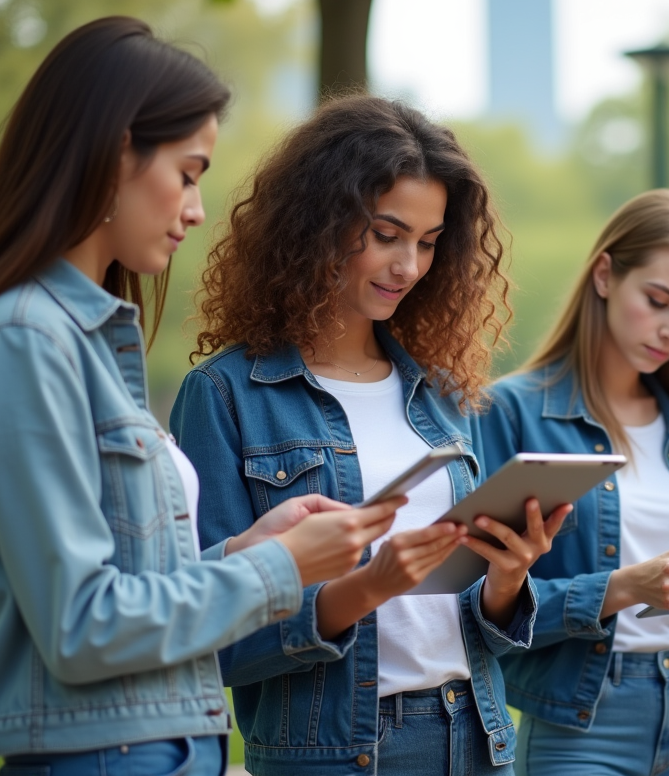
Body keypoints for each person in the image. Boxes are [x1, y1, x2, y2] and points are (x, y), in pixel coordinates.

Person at [0, 17, 401, 776]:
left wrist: (251, 547)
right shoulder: (27, 340)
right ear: (112, 155)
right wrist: (281, 571)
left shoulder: (87, 341)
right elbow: (80, 625)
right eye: (189, 171)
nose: (197, 209)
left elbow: (130, 584)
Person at [169, 94, 567, 776]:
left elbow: (477, 622)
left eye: (428, 242)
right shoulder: (225, 394)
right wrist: (365, 587)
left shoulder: (444, 394)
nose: (409, 267)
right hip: (333, 752)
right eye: (387, 234)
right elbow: (210, 635)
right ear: (317, 225)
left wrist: (507, 577)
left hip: (476, 735)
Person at [479, 189, 669, 775]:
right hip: (583, 723)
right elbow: (486, 614)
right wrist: (623, 588)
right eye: (659, 300)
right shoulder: (509, 412)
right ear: (604, 275)